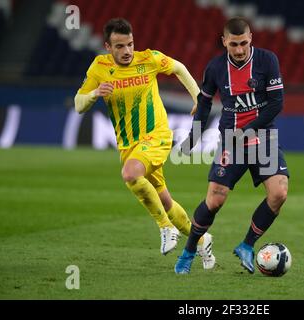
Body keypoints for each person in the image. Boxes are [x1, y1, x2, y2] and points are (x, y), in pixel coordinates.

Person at [74, 17, 215, 269]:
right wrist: (95, 93)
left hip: (157, 136)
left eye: (129, 44)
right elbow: (78, 104)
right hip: (130, 146)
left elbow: (179, 67)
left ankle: (165, 228)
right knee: (166, 202)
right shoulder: (99, 68)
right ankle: (203, 240)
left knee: (130, 174)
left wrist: (198, 98)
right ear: (107, 46)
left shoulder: (148, 59)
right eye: (119, 46)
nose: (127, 51)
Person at [174, 17, 289, 274]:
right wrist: (193, 137)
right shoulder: (215, 68)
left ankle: (247, 245)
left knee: (279, 193)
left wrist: (248, 130)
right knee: (215, 200)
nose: (239, 50)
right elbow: (204, 105)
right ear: (224, 41)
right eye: (234, 44)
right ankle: (190, 249)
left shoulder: (267, 60)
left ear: (251, 39)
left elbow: (275, 104)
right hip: (232, 140)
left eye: (244, 43)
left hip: (263, 136)